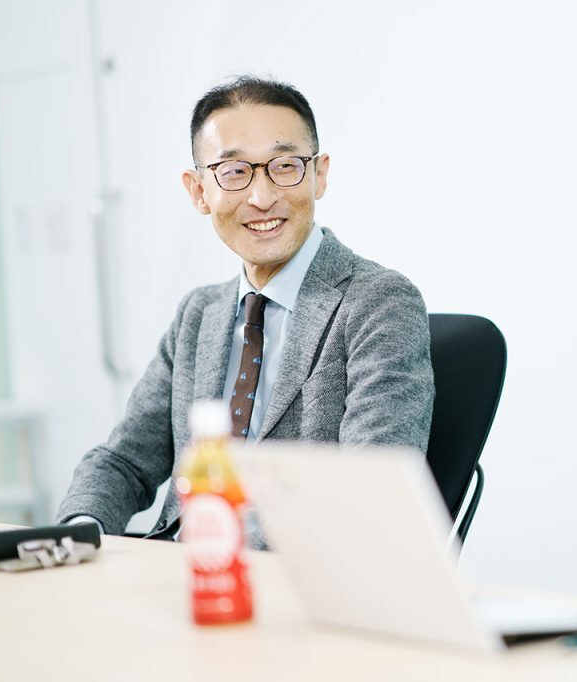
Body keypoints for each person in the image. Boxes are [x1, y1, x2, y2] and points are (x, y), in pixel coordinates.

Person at [57, 76, 434, 546]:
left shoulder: (378, 303)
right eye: (234, 172)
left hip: (296, 572)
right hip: (184, 564)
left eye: (285, 166)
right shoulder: (198, 315)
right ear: (199, 191)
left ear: (319, 175)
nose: (261, 197)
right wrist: (78, 535)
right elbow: (123, 461)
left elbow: (373, 486)